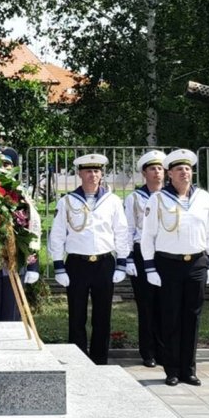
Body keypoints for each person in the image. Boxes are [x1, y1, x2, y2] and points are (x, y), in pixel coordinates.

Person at [140, 149, 209, 386]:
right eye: (178, 169)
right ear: (170, 174)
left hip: (196, 263)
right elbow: (148, 235)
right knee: (171, 317)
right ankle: (172, 370)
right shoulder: (158, 199)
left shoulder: (203, 197)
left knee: (192, 317)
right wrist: (150, 268)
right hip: (168, 264)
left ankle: (189, 369)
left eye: (187, 169)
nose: (184, 173)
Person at [47, 153, 130, 365]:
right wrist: (58, 266)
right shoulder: (67, 201)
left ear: (101, 174)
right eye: (88, 171)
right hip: (77, 264)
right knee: (77, 315)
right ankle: (78, 358)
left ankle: (100, 359)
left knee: (102, 316)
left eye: (96, 171)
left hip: (104, 263)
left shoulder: (112, 201)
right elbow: (57, 234)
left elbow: (121, 232)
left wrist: (122, 263)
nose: (93, 175)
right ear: (80, 174)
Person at [123, 150, 165, 367]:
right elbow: (128, 228)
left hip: (166, 254)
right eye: (152, 169)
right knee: (146, 304)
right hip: (141, 253)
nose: (157, 173)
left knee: (167, 304)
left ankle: (165, 350)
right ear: (144, 173)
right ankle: (148, 352)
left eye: (160, 168)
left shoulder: (170, 196)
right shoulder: (134, 198)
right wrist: (128, 258)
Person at [0, 146, 40, 321]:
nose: (3, 168)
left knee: (12, 316)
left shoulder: (22, 196)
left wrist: (33, 265)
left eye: (7, 164)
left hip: (15, 264)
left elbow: (32, 229)